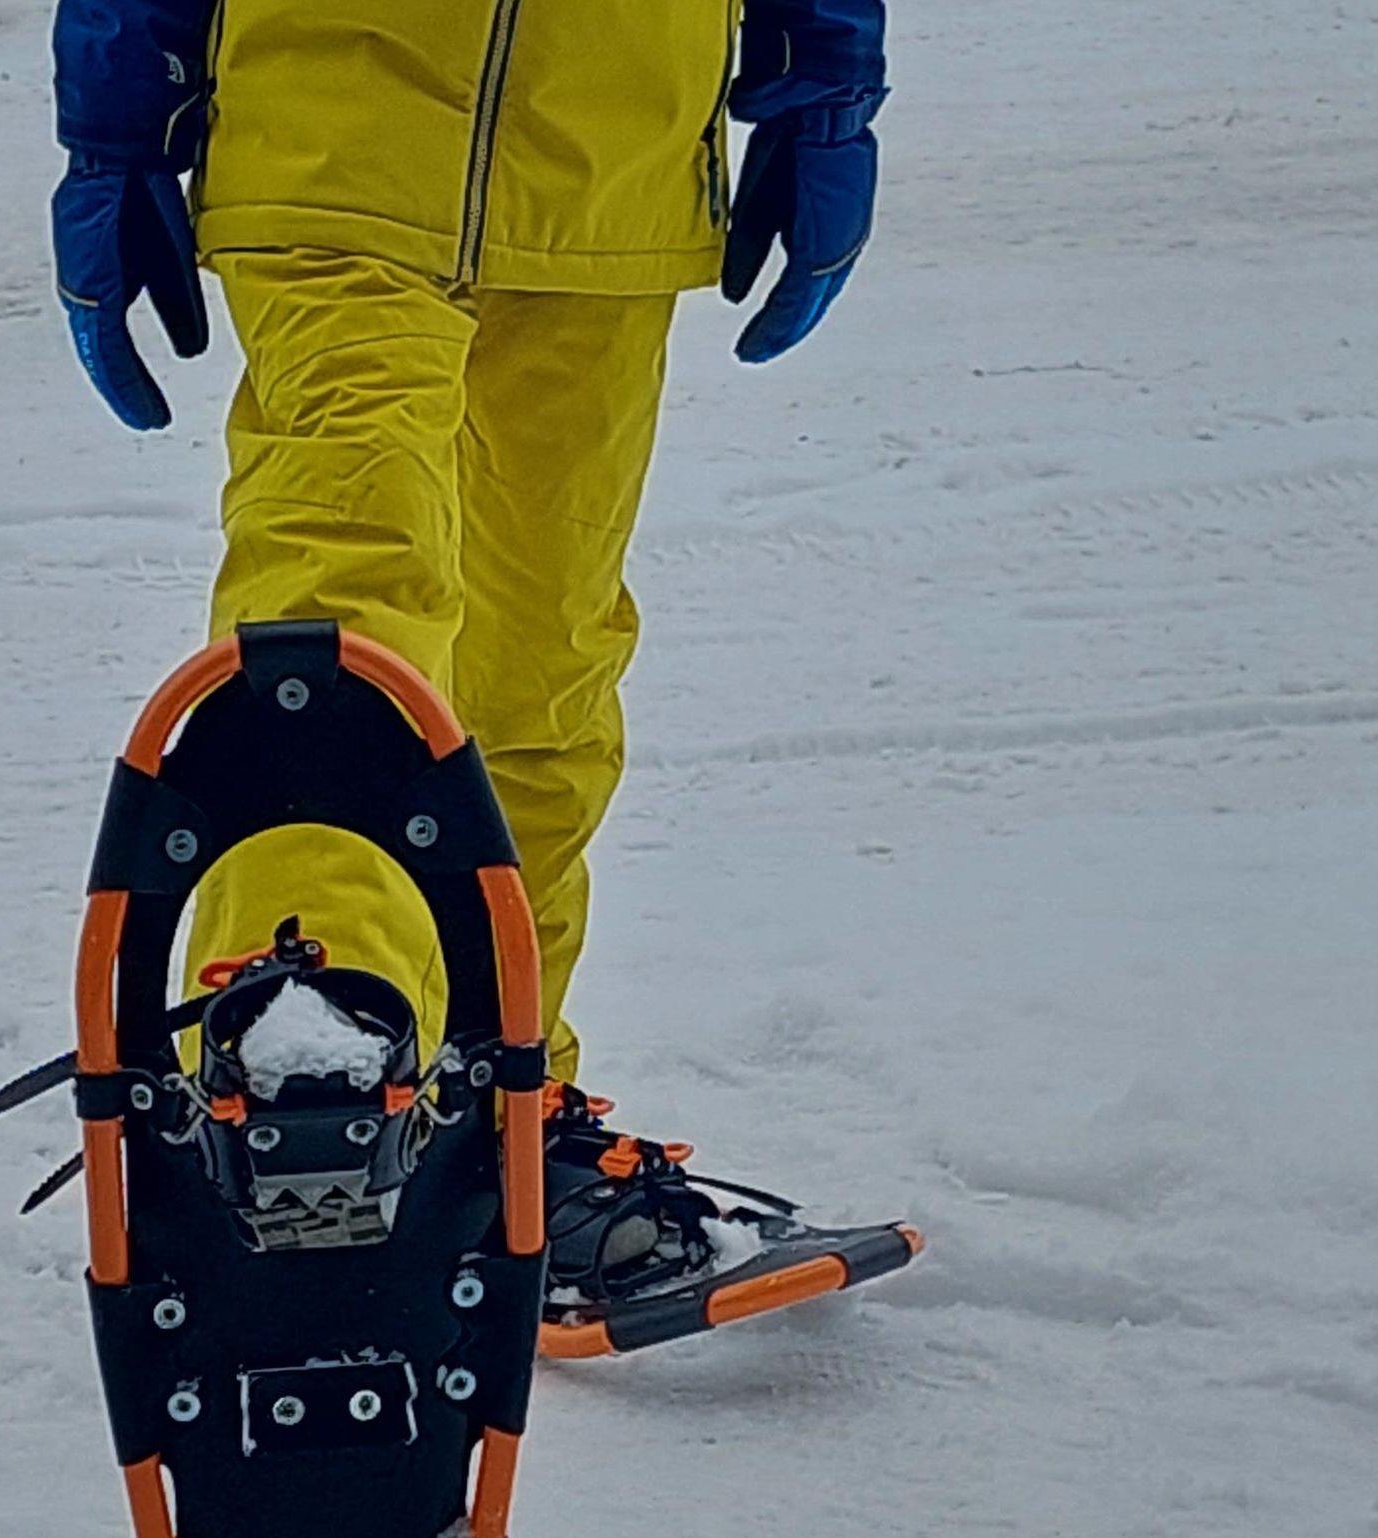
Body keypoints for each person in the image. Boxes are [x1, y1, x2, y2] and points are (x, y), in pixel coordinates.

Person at [49, 0, 893, 1334]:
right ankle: (308, 1056)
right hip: (335, 126)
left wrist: (824, 73)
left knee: (542, 667)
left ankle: (502, 1112)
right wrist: (115, 116)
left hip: (609, 153)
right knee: (344, 598)